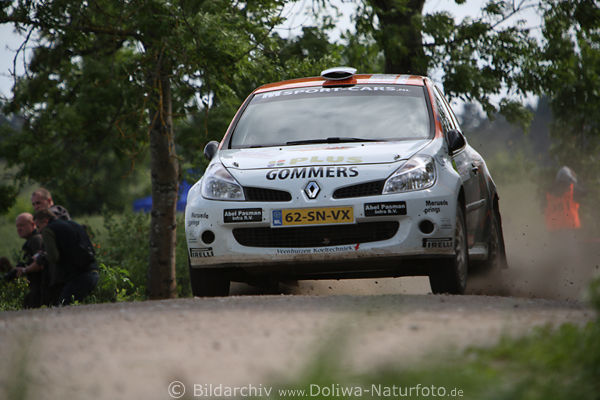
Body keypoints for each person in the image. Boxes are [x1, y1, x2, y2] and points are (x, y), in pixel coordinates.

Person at [31, 209, 98, 306]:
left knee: (63, 308)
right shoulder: (73, 224)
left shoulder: (48, 230)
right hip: (93, 272)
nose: (38, 231)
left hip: (77, 277)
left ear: (45, 221)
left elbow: (53, 257)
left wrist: (41, 258)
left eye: (38, 226)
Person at [544, 166, 583, 232]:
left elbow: (543, 208)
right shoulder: (573, 190)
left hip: (554, 228)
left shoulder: (549, 192)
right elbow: (585, 192)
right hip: (570, 227)